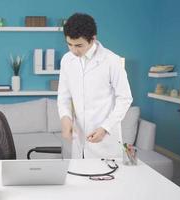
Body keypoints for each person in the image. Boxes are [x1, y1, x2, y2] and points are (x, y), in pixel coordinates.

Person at [57, 13, 133, 159]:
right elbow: (64, 96)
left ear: (93, 39)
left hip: (105, 141)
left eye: (79, 45)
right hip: (79, 142)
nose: (73, 50)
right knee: (79, 180)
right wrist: (65, 117)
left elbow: (125, 98)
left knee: (107, 180)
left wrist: (105, 128)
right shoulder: (67, 60)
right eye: (69, 44)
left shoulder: (112, 61)